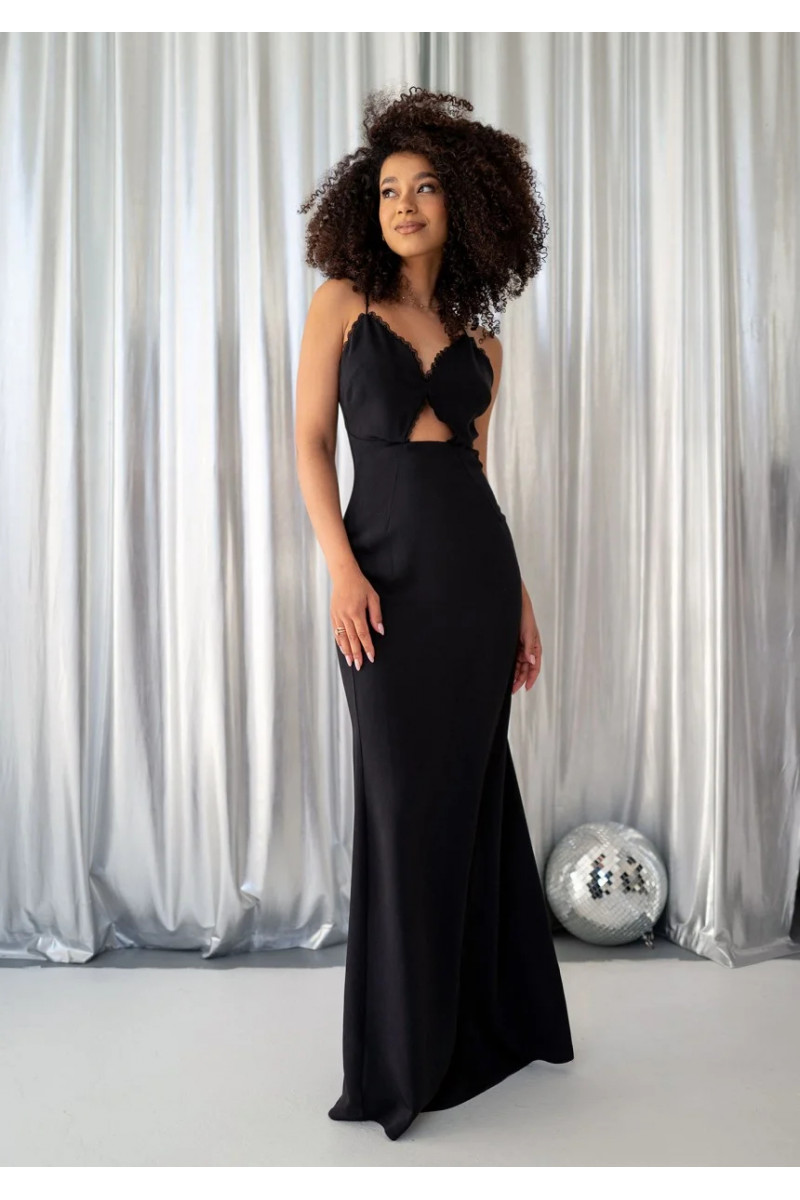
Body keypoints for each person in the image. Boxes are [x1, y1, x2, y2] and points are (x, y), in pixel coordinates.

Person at [295, 86, 574, 1141]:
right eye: (386, 190)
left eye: (422, 188)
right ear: (364, 209)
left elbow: (475, 476)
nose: (403, 204)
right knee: (401, 802)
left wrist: (521, 600)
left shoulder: (482, 345)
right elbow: (308, 444)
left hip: (474, 585)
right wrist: (341, 569)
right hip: (379, 579)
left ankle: (483, 1027)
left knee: (469, 796)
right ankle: (399, 1055)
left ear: (464, 203)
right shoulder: (340, 303)